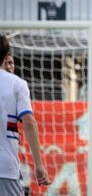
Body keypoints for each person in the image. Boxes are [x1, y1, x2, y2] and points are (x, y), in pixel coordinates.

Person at [0, 35, 51, 195]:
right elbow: (29, 122)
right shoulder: (16, 84)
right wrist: (39, 164)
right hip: (5, 167)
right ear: (5, 53)